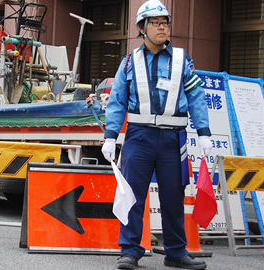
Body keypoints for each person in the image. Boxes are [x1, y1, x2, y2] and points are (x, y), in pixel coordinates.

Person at [99, 1, 210, 268]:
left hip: (173, 139)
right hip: (139, 137)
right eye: (156, 22)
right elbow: (117, 101)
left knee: (173, 196)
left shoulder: (183, 60)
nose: (162, 27)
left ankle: (175, 252)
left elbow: (196, 98)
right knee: (132, 194)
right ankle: (130, 251)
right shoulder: (129, 62)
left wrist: (204, 132)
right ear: (142, 28)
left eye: (165, 22)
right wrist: (111, 136)